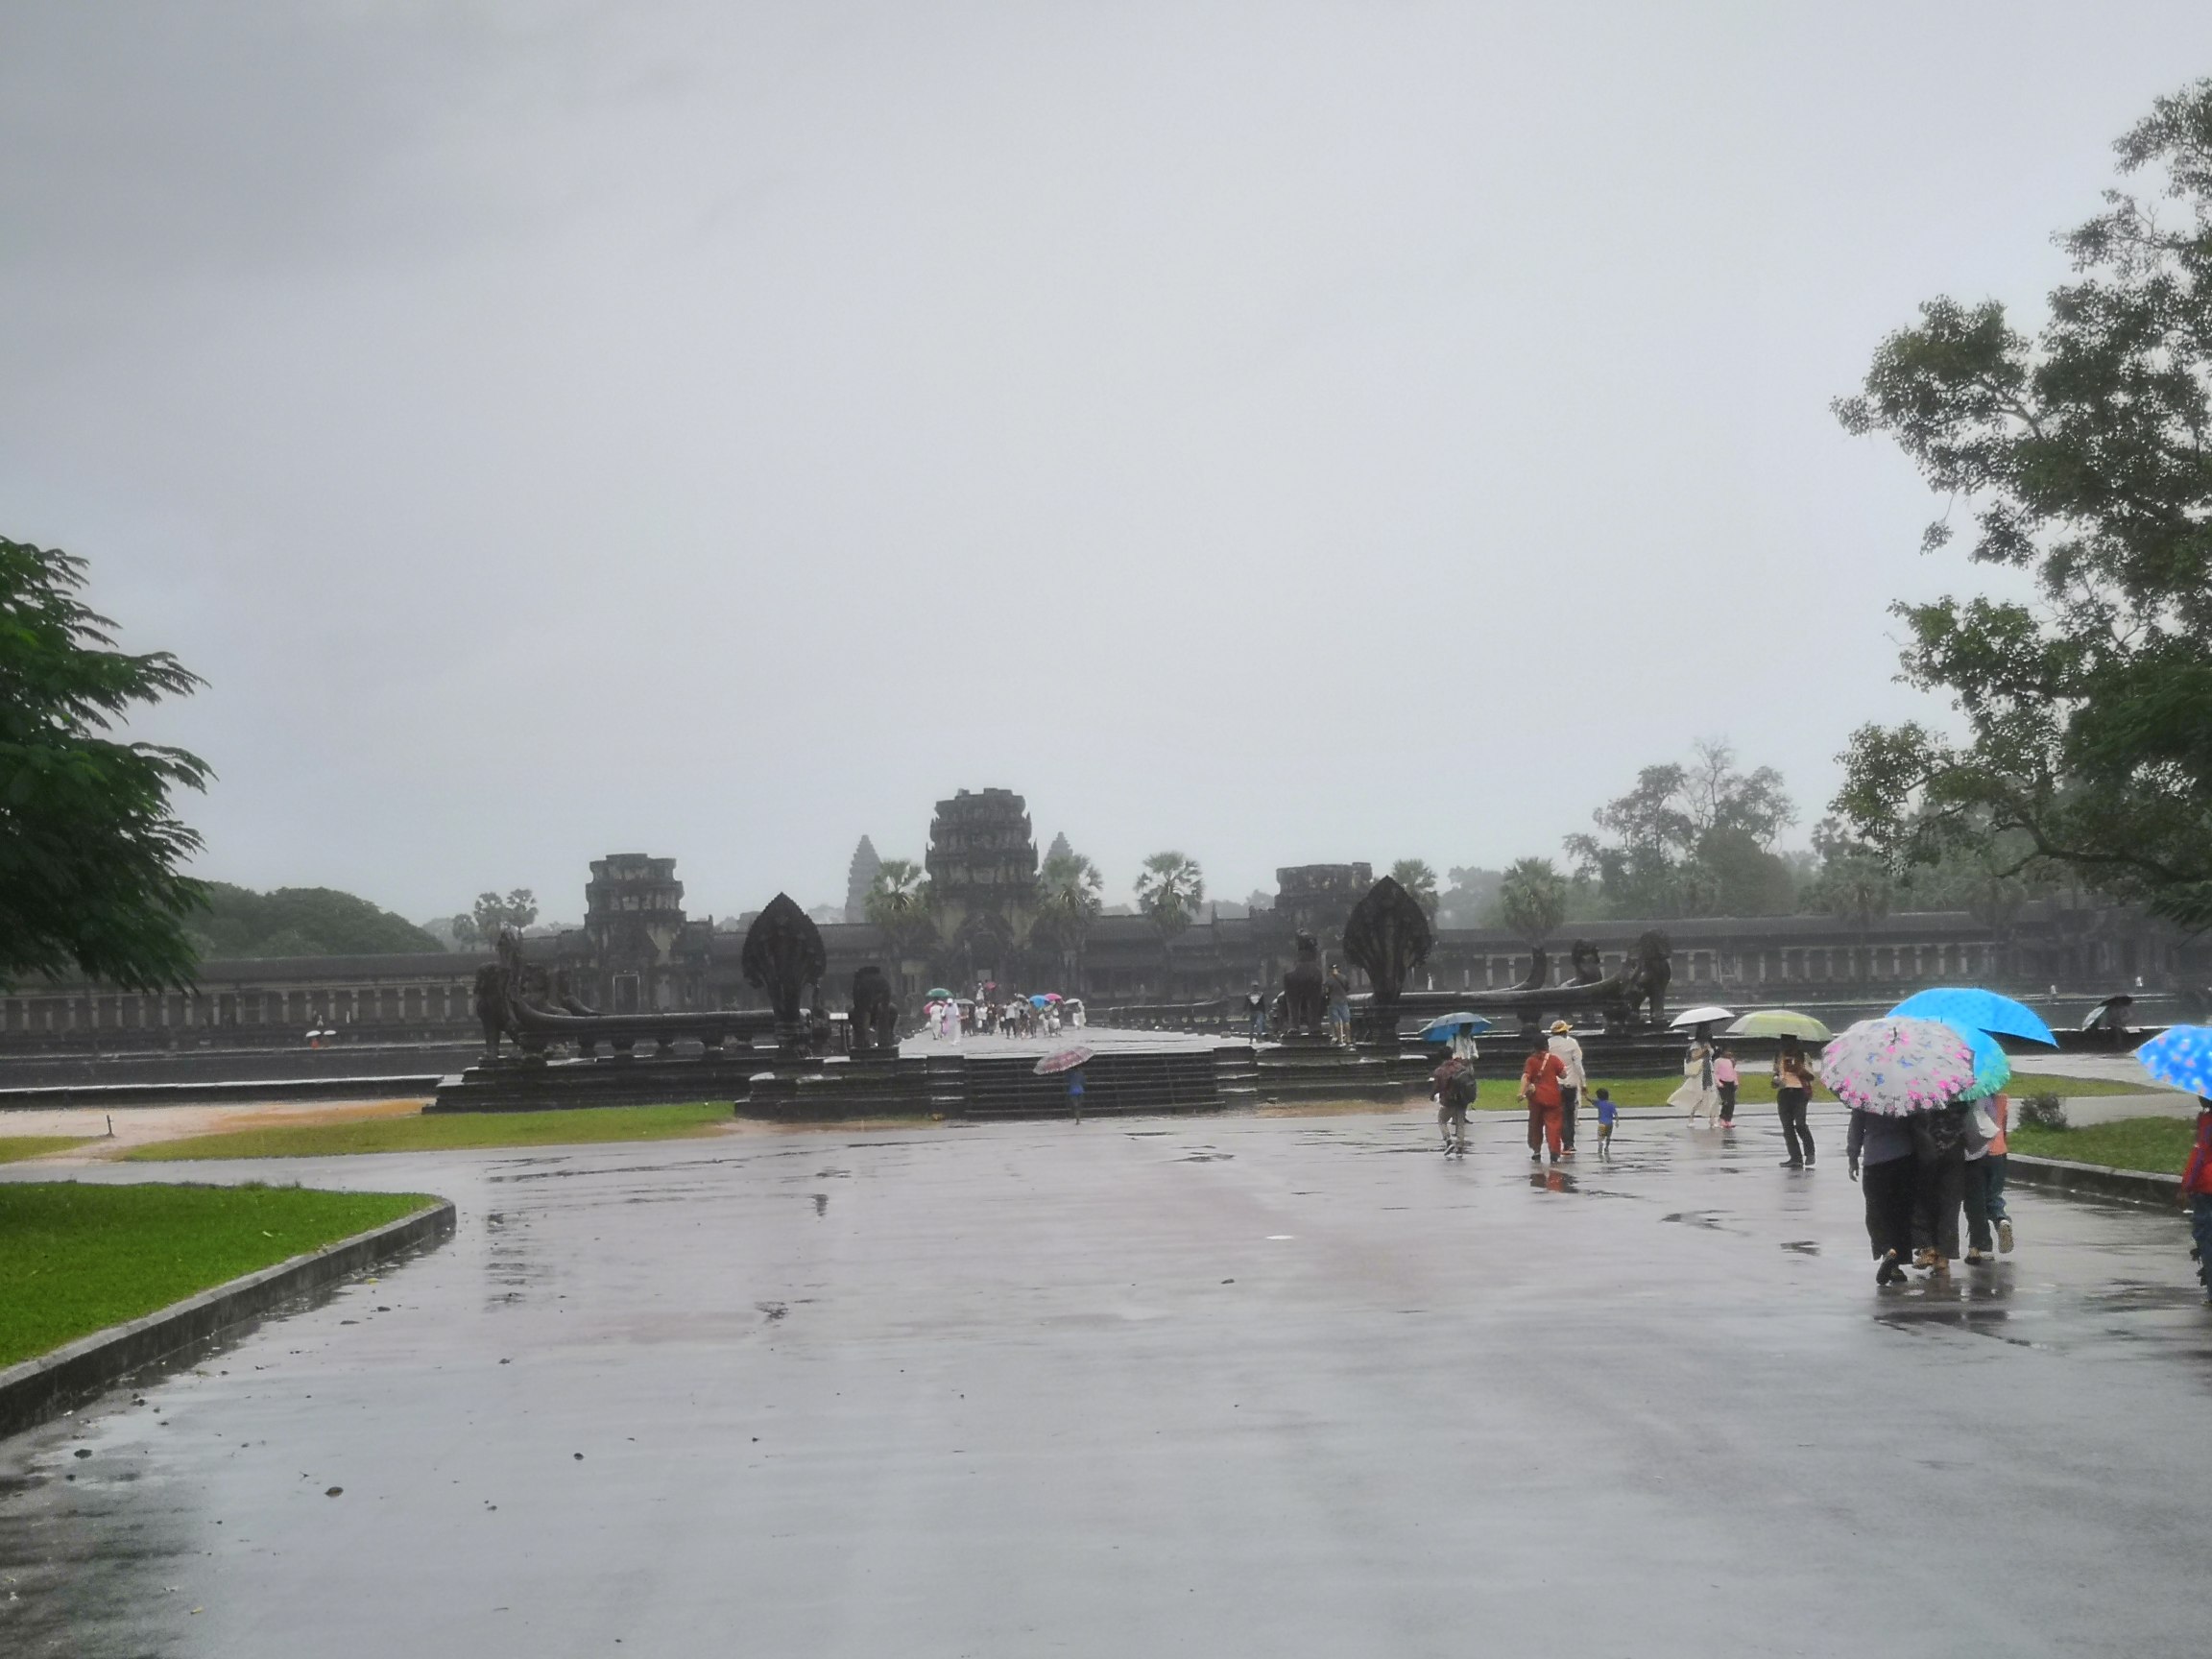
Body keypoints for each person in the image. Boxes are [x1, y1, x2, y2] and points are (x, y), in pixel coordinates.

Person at [1848, 1106, 1917, 1285]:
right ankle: (1896, 1263)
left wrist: (1853, 1156)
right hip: (1904, 1157)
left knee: (1876, 1210)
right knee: (1900, 1213)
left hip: (1875, 1160)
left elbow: (1856, 1127)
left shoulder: (1865, 1098)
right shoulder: (1908, 1096)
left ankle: (1886, 1248)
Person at [1910, 1100, 1969, 1273]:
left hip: (1926, 1151)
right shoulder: (1959, 1092)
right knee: (1950, 1203)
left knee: (1921, 1200)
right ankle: (1944, 1255)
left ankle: (1927, 1247)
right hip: (1954, 1150)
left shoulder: (1921, 1093)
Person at [1962, 1092, 2014, 1263]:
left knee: (1976, 1201)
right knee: (1993, 1195)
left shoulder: (1970, 1097)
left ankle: (1981, 1246)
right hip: (1999, 1153)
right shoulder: (2002, 1098)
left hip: (1978, 1153)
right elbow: (2003, 1129)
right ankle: (2001, 1220)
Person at [2181, 1097, 2212, 1305]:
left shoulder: (2207, 1122)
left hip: (2206, 1186)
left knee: (2206, 1238)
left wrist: (2186, 1186)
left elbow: (2199, 1156)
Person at [1520, 1033, 1567, 1164]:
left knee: (1535, 1124)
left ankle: (1536, 1150)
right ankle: (1554, 1151)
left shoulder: (1531, 1060)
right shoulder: (1553, 1059)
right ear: (1547, 1045)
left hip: (1536, 1098)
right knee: (1554, 1125)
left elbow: (1526, 1076)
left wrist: (1521, 1092)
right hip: (1553, 1097)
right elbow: (1563, 1075)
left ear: (1534, 1047)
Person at [1771, 1039, 1816, 1167]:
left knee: (1800, 1124)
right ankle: (1795, 1158)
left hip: (1799, 1092)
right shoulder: (1779, 1056)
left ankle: (1810, 1153)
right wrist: (1775, 1080)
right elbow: (1776, 1073)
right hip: (1784, 1092)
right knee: (1787, 1127)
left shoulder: (1803, 1056)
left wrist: (1798, 1069)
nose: (1786, 1047)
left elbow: (1811, 1076)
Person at [1548, 1021, 1586, 1156]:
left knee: (1557, 1114)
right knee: (1569, 1115)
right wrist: (1584, 1083)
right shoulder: (1572, 1043)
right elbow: (1578, 1065)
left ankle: (1557, 1143)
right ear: (1565, 1032)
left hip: (1554, 1083)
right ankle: (1569, 1144)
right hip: (1570, 1083)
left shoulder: (1548, 1044)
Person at [1670, 1033, 1720, 1127]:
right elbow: (1693, 1057)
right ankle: (1691, 1117)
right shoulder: (1695, 1045)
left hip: (1708, 1073)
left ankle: (1712, 1119)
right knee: (1698, 1099)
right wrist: (1703, 1050)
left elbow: (1711, 1054)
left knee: (1713, 1098)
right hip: (1699, 1075)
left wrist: (1709, 1048)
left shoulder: (1707, 1044)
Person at [1432, 1053, 1477, 1156]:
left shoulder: (1440, 1071)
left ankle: (1448, 1141)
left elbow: (1437, 1087)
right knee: (1460, 1123)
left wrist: (1432, 1095)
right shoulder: (1461, 1067)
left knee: (1442, 1120)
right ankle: (1460, 1147)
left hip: (1449, 1099)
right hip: (1462, 1099)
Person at [1327, 967, 1352, 1046]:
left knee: (1336, 1021)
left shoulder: (1329, 980)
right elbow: (1348, 988)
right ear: (1338, 969)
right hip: (1343, 1001)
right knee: (1346, 1021)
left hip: (1333, 1002)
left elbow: (1326, 992)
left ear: (1330, 970)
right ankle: (1348, 1039)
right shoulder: (1344, 978)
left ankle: (1340, 1039)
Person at [1715, 1047, 1740, 1126]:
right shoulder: (1718, 1061)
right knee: (1726, 1101)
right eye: (1727, 1052)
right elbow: (1715, 1073)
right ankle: (1722, 1118)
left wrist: (1736, 1082)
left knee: (1732, 1102)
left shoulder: (1731, 1061)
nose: (1729, 1053)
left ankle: (1728, 1119)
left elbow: (1733, 1072)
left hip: (1731, 1082)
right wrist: (1718, 1083)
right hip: (1722, 1082)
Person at [1595, 1087, 1618, 1159]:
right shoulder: (1611, 1104)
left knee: (1600, 1136)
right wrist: (1617, 1121)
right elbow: (1615, 1114)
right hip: (1610, 1123)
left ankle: (1600, 1147)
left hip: (1602, 1123)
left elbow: (1590, 1100)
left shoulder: (1598, 1103)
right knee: (1608, 1136)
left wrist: (1585, 1095)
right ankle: (1606, 1147)